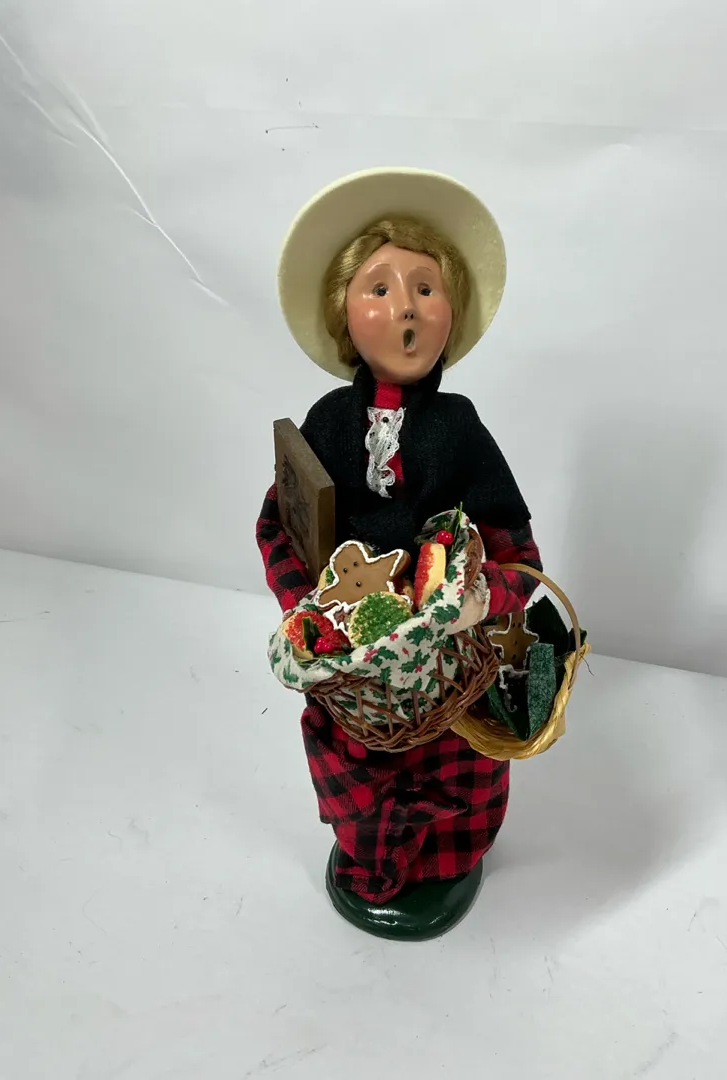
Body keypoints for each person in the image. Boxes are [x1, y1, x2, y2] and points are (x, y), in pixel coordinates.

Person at [257, 168, 543, 939]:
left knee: (458, 769)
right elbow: (281, 522)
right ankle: (372, 856)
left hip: (448, 666)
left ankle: (447, 860)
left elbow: (516, 551)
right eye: (379, 288)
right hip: (352, 674)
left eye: (425, 287)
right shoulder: (326, 422)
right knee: (354, 767)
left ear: (452, 312)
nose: (406, 307)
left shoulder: (460, 429)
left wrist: (483, 600)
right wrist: (309, 612)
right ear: (343, 313)